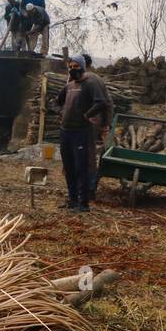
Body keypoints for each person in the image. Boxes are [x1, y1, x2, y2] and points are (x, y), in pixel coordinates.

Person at [54, 54, 110, 213]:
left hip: (81, 132)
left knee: (81, 168)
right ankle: (72, 200)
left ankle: (83, 203)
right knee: (69, 167)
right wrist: (61, 112)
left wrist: (87, 115)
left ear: (82, 67)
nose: (72, 69)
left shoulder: (90, 84)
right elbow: (55, 102)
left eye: (76, 66)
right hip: (65, 132)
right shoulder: (69, 86)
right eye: (70, 67)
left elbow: (101, 102)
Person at [80, 53, 110, 199]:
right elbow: (109, 103)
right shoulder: (96, 78)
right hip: (88, 120)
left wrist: (105, 124)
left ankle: (89, 188)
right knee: (85, 153)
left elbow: (105, 103)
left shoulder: (90, 79)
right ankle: (85, 187)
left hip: (89, 120)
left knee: (87, 153)